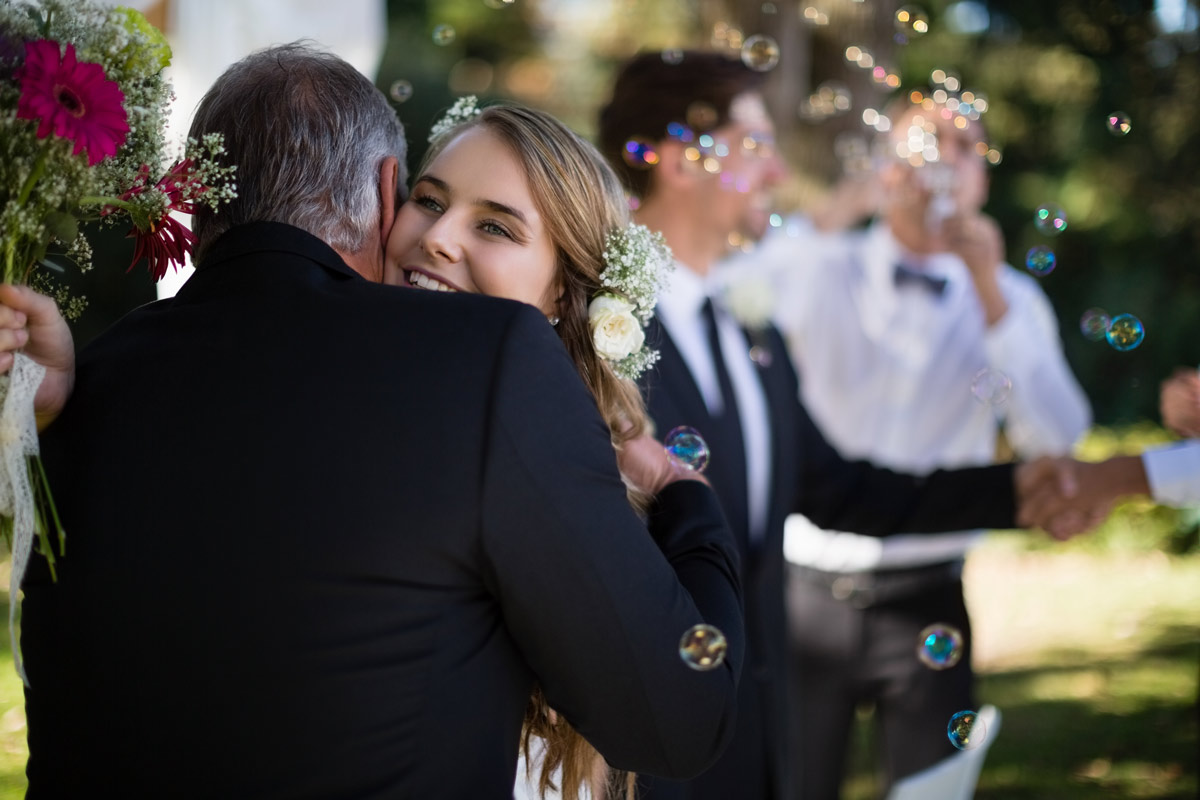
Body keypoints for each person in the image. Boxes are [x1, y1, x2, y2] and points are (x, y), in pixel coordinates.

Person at [9, 44, 746, 798]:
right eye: (429, 201)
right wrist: (694, 504)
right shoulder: (462, 374)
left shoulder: (111, 366)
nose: (438, 237)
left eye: (495, 227)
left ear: (567, 294)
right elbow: (679, 721)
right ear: (387, 196)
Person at [595, 50, 1067, 800]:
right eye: (758, 146)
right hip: (649, 752)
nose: (779, 174)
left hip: (755, 734)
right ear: (683, 159)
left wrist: (1024, 491)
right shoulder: (596, 332)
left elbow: (837, 488)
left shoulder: (753, 331)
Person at [717, 90, 1092, 797]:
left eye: (966, 148)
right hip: (802, 594)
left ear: (983, 178)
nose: (947, 165)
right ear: (887, 168)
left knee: (932, 789)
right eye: (928, 145)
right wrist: (839, 209)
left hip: (929, 598)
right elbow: (732, 290)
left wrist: (988, 291)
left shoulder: (1010, 298)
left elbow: (1061, 437)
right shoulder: (820, 264)